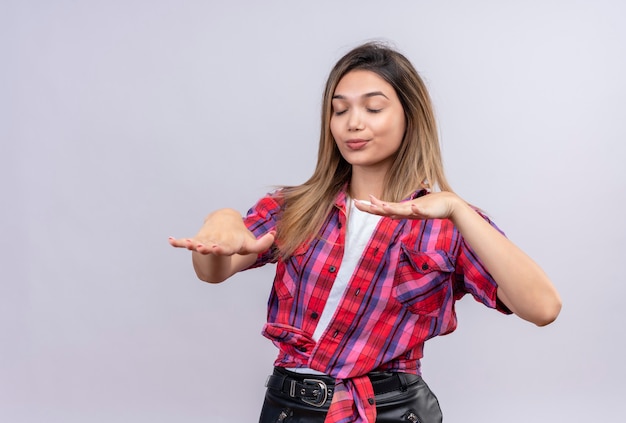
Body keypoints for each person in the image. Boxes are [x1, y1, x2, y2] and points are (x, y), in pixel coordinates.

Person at [169, 42, 562, 423]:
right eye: (340, 110)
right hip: (292, 409)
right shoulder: (296, 209)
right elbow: (212, 270)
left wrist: (458, 209)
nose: (353, 122)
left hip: (394, 410)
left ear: (410, 116)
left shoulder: (446, 225)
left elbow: (543, 308)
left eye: (373, 108)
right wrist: (220, 220)